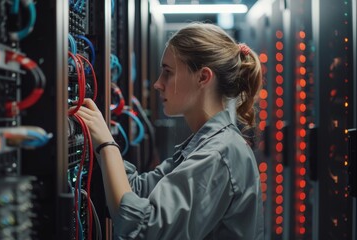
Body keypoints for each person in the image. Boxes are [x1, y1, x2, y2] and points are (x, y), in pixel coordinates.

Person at [76, 22, 265, 239]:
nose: (158, 83)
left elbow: (145, 230)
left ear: (203, 77)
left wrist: (107, 146)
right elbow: (139, 190)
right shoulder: (208, 143)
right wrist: (100, 143)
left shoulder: (218, 155)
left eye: (168, 72)